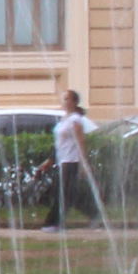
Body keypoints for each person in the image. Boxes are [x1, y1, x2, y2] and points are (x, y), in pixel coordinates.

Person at [43, 90, 97, 230]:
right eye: (63, 99)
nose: (64, 102)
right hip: (62, 160)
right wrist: (50, 160)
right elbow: (59, 143)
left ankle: (54, 223)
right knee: (71, 193)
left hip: (72, 161)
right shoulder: (64, 119)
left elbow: (80, 142)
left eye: (67, 99)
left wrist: (83, 164)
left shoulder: (75, 120)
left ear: (74, 102)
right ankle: (94, 214)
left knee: (63, 194)